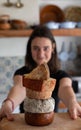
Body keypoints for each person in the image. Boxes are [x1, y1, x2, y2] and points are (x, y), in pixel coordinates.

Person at [0, 25, 81, 121]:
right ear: (30, 49)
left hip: (50, 123)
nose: (41, 54)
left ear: (53, 48)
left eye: (46, 48)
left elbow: (65, 88)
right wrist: (9, 103)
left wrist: (73, 103)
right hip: (26, 124)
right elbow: (20, 87)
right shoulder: (21, 73)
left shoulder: (61, 75)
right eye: (36, 48)